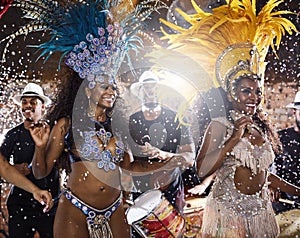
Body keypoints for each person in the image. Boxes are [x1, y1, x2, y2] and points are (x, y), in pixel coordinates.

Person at [8, 1, 161, 237]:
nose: (111, 90)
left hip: (114, 209)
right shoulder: (66, 125)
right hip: (75, 210)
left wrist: (163, 161)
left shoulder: (118, 126)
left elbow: (129, 166)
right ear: (88, 90)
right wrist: (39, 149)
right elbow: (41, 172)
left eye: (112, 85)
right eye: (103, 85)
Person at [195, 59, 300, 237]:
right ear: (230, 95)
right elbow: (201, 169)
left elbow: (262, 174)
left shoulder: (259, 127)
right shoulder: (219, 125)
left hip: (260, 212)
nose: (254, 97)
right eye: (246, 91)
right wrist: (234, 137)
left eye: (258, 91)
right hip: (230, 214)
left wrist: (297, 191)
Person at [128, 70, 195, 213]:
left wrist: (164, 156)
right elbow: (127, 162)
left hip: (171, 186)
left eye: (154, 88)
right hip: (142, 189)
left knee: (174, 230)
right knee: (143, 233)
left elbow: (190, 157)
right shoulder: (131, 122)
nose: (150, 92)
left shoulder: (177, 119)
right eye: (146, 88)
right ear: (139, 93)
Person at [0, 82, 59, 238]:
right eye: (24, 102)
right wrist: (14, 168)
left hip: (50, 203)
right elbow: (2, 167)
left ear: (43, 107)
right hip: (20, 204)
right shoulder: (13, 134)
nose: (28, 105)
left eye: (33, 102)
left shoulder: (54, 132)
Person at [272, 91, 300, 213]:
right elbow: (266, 168)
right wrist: (270, 185)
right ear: (294, 112)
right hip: (283, 206)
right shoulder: (280, 138)